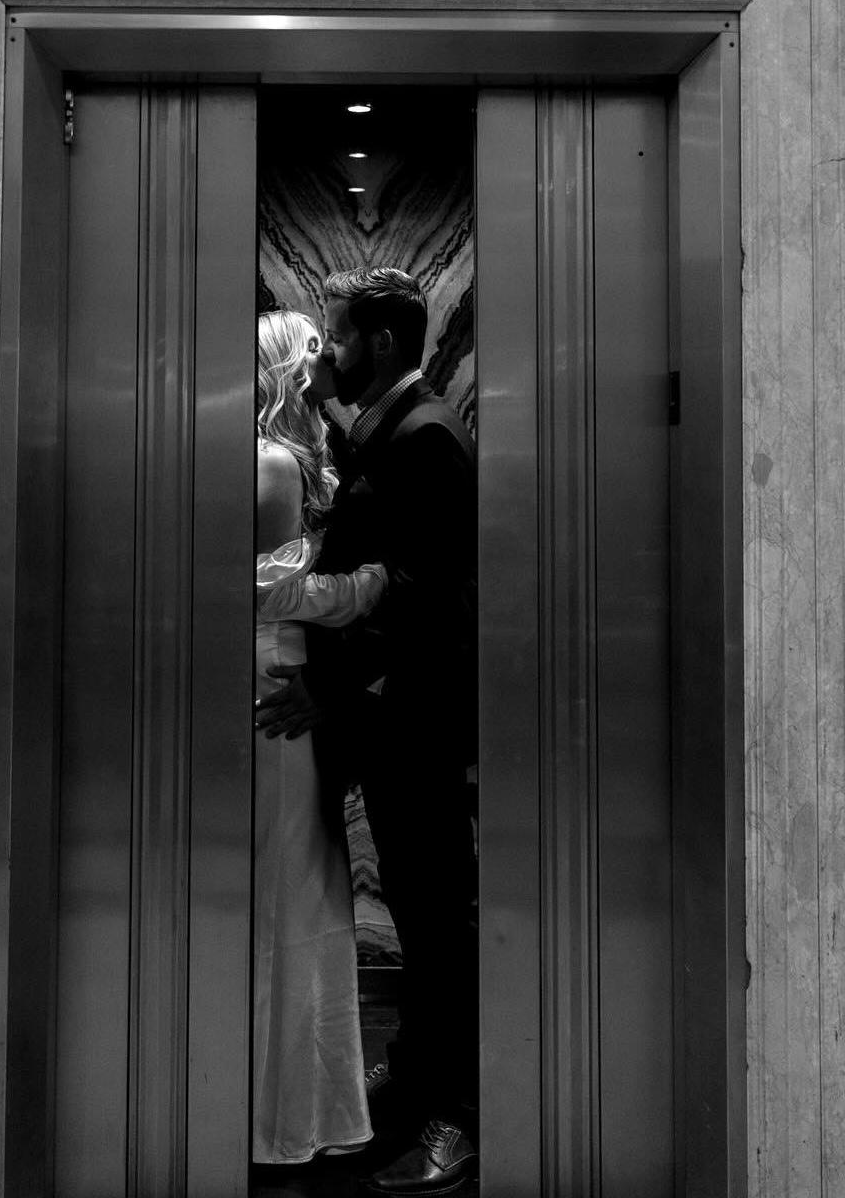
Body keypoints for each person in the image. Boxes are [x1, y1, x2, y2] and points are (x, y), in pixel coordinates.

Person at [257, 268, 479, 1197]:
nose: (329, 352)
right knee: (421, 912)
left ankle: (456, 1117)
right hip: (390, 727)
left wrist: (333, 693)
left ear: (381, 343)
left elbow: (432, 597)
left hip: (419, 725)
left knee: (438, 921)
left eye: (339, 337)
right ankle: (418, 1074)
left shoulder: (429, 435)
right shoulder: (388, 426)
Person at [252, 308, 387, 1166]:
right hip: (277, 678)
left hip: (294, 676)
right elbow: (271, 590)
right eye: (316, 344)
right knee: (294, 890)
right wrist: (372, 584)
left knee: (307, 885)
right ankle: (282, 1119)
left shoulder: (297, 453)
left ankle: (301, 1105)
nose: (329, 355)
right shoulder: (272, 461)